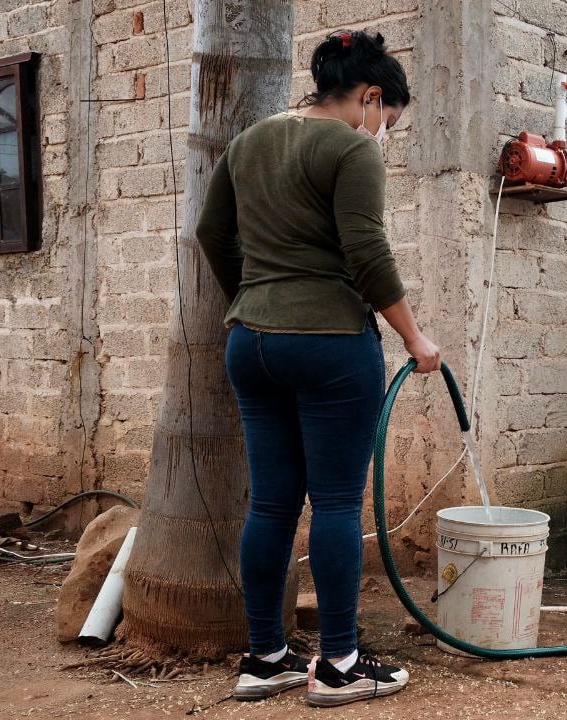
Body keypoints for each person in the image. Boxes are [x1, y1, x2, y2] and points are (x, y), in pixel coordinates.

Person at [196, 29, 440, 708]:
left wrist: (255, 298)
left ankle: (265, 658)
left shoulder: (249, 142)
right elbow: (366, 252)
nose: (383, 133)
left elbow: (211, 233)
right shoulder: (351, 148)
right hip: (330, 343)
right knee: (333, 502)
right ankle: (339, 664)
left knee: (272, 503)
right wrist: (416, 338)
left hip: (251, 343)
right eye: (388, 120)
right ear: (370, 97)